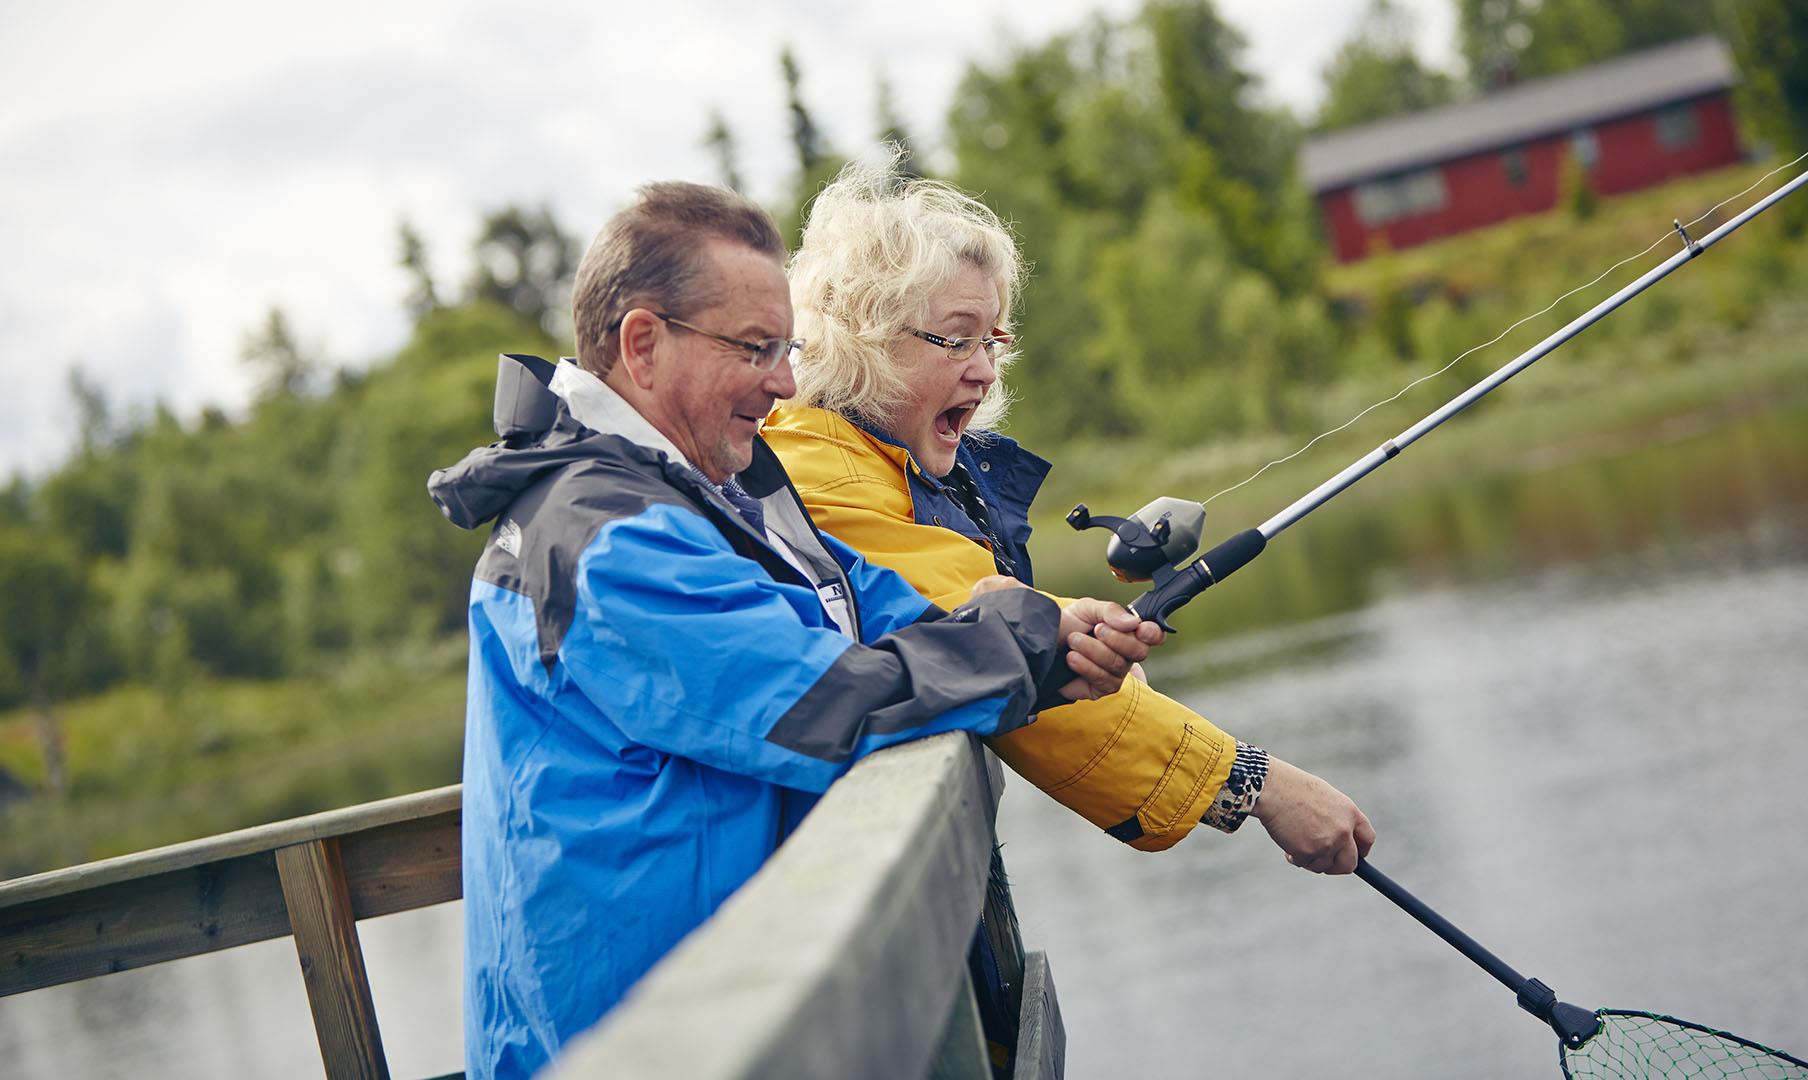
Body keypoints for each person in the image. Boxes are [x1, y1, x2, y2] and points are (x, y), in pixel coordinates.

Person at [427, 181, 1161, 1079]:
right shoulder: (599, 535)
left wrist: (1041, 629)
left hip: (728, 1019)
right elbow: (822, 701)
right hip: (632, 1045)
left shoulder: (716, 492)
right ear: (644, 344)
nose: (784, 381)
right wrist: (1023, 644)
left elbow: (869, 607)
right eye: (755, 348)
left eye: (789, 348)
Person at [763, 159, 1376, 870]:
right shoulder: (824, 483)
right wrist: (1258, 785)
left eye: (993, 341)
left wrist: (1074, 646)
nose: (986, 370)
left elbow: (981, 616)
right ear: (858, 338)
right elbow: (972, 642)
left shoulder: (868, 465)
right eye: (957, 338)